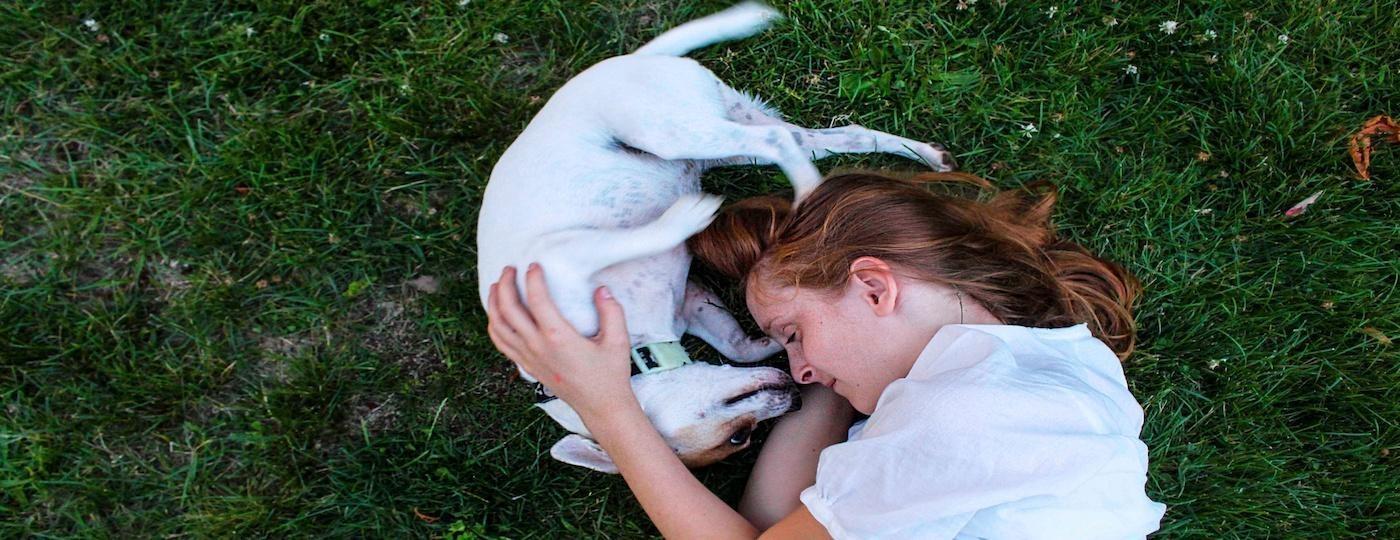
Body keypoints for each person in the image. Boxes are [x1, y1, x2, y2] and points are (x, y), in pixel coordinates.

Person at [485, 171, 1166, 539]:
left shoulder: (968, 414)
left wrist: (608, 410)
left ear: (874, 287)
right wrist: (831, 385)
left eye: (792, 332)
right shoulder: (1036, 376)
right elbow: (771, 528)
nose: (796, 366)